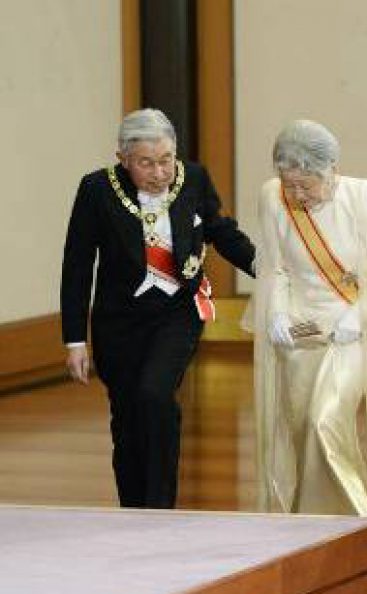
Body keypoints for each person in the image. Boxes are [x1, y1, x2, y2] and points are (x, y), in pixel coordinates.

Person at [61, 108, 256, 509]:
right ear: (123, 159)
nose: (160, 172)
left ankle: (160, 510)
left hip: (177, 313)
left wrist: (263, 266)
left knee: (155, 395)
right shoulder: (97, 190)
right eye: (146, 163)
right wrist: (75, 340)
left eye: (166, 159)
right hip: (120, 323)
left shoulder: (194, 178)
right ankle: (133, 512)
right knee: (128, 418)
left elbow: (220, 230)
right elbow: (78, 265)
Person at [250, 120, 367, 536]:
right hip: (301, 332)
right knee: (301, 433)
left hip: (354, 330)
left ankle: (361, 528)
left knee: (323, 420)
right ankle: (311, 527)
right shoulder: (272, 198)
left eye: (305, 185)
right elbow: (274, 268)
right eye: (288, 184)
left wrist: (359, 314)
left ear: (331, 169)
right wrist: (275, 313)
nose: (296, 195)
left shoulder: (365, 197)